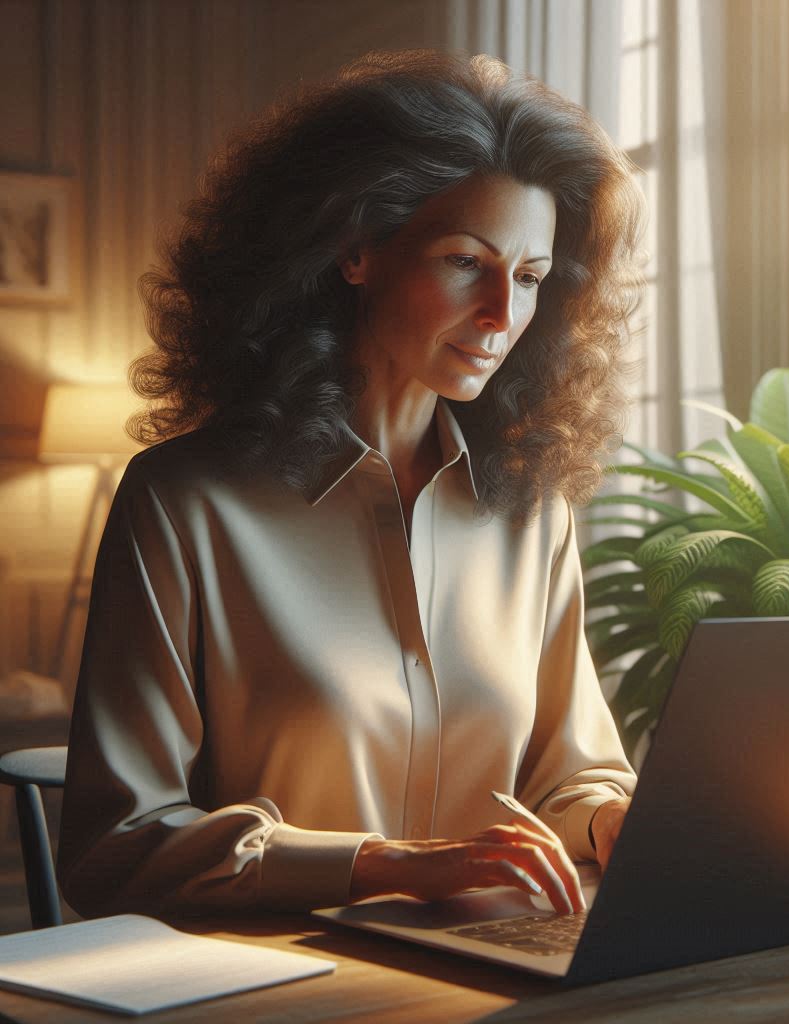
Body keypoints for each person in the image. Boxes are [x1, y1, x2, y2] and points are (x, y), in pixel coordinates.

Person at [57, 48, 647, 921]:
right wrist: (385, 865)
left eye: (528, 279)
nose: (501, 315)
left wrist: (610, 822)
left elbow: (570, 775)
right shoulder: (184, 503)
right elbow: (115, 848)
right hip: (285, 988)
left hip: (502, 978)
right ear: (355, 248)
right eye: (464, 262)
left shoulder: (530, 512)